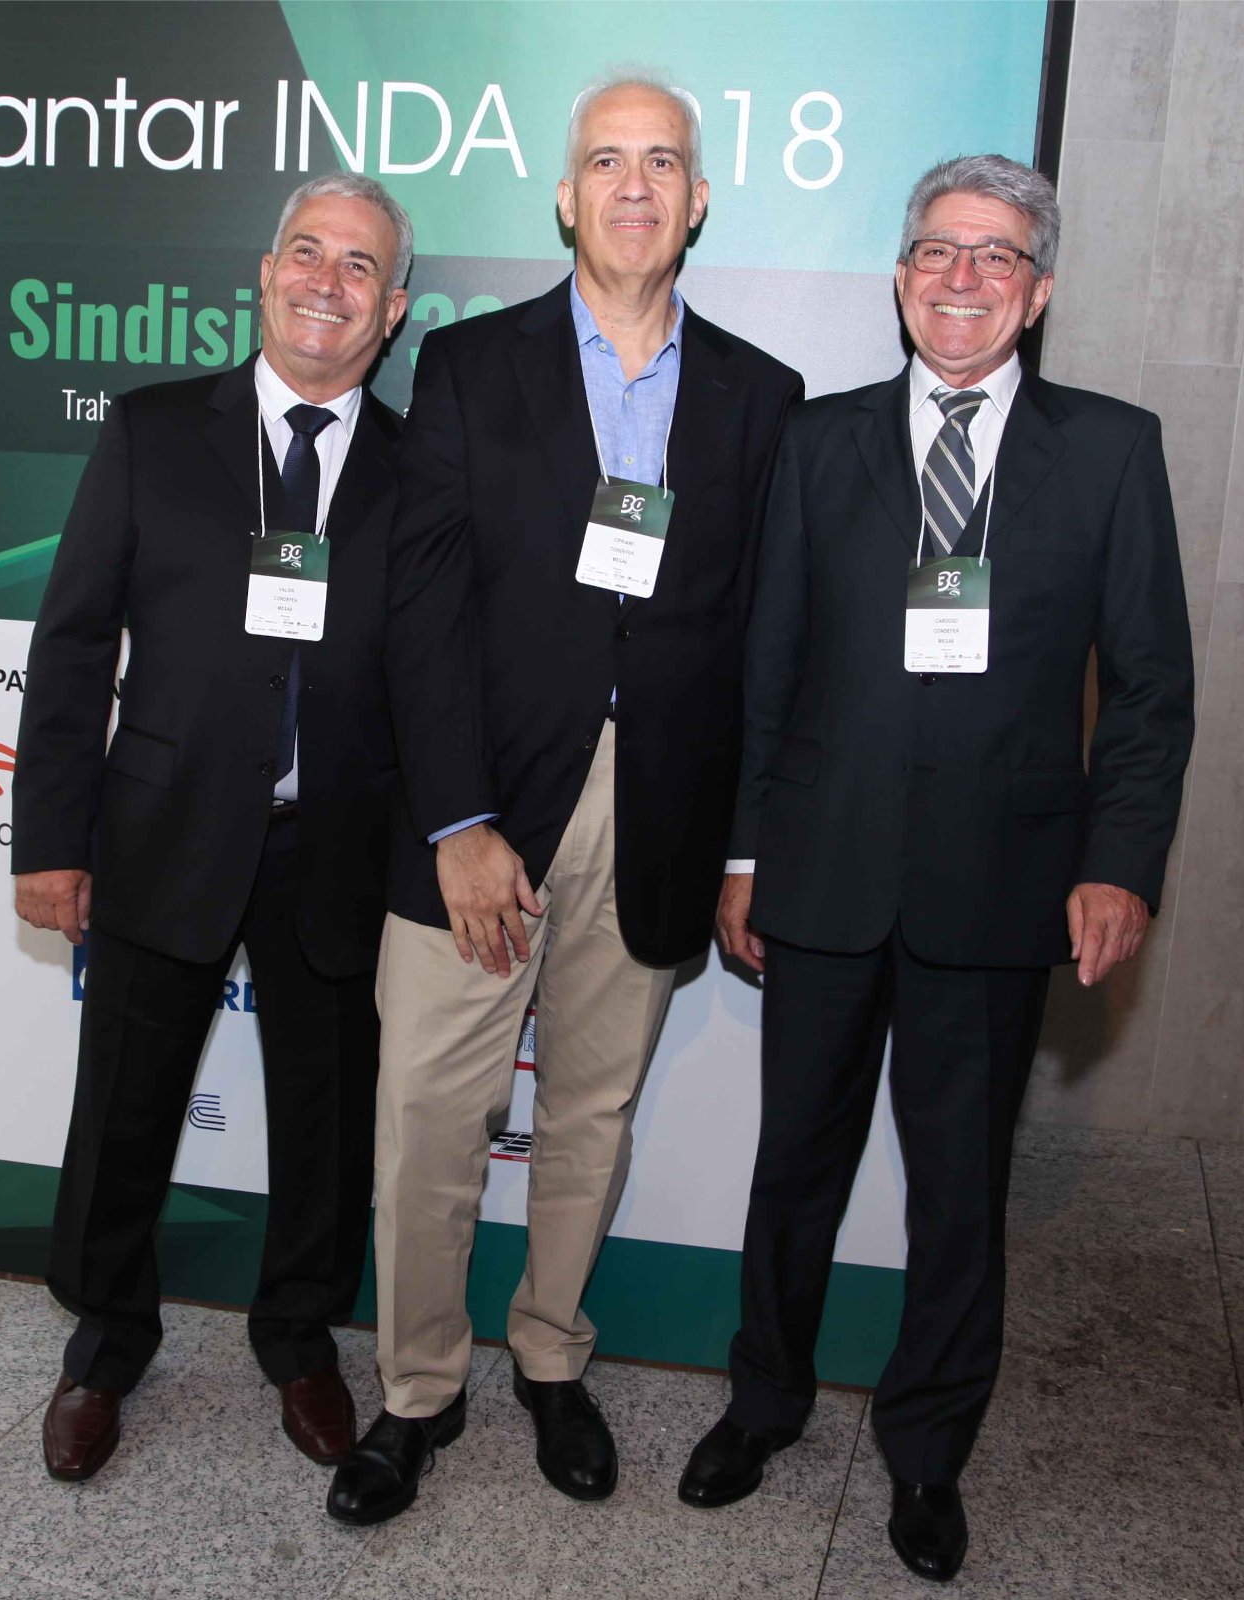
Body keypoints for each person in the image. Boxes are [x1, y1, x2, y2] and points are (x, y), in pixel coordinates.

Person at [679, 154, 1195, 1583]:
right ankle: (765, 1403)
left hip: (1001, 883)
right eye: (937, 252)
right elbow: (769, 664)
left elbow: (1150, 688)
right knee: (796, 1165)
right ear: (901, 276)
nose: (962, 279)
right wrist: (744, 852)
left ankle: (925, 1453)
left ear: (1039, 290)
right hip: (824, 872)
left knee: (960, 1191)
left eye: (995, 256)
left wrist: (1120, 862)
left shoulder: (1111, 452)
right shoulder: (820, 440)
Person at [325, 75, 803, 1527]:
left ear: (699, 200)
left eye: (662, 162)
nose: (634, 186)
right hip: (483, 819)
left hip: (656, 820)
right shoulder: (470, 367)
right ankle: (417, 1391)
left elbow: (763, 646)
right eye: (607, 160)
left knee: (591, 1113)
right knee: (429, 1117)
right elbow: (421, 610)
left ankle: (548, 1358)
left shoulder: (762, 398)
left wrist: (744, 847)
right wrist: (457, 820)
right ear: (565, 195)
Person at [11, 173, 413, 1483]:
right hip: (162, 827)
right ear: (264, 274)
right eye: (308, 252)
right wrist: (50, 839)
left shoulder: (420, 468)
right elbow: (73, 644)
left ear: (392, 310)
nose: (327, 283)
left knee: (325, 1119)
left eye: (359, 266)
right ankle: (104, 1343)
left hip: (336, 845)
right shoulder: (153, 430)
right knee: (123, 1109)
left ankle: (298, 1337)